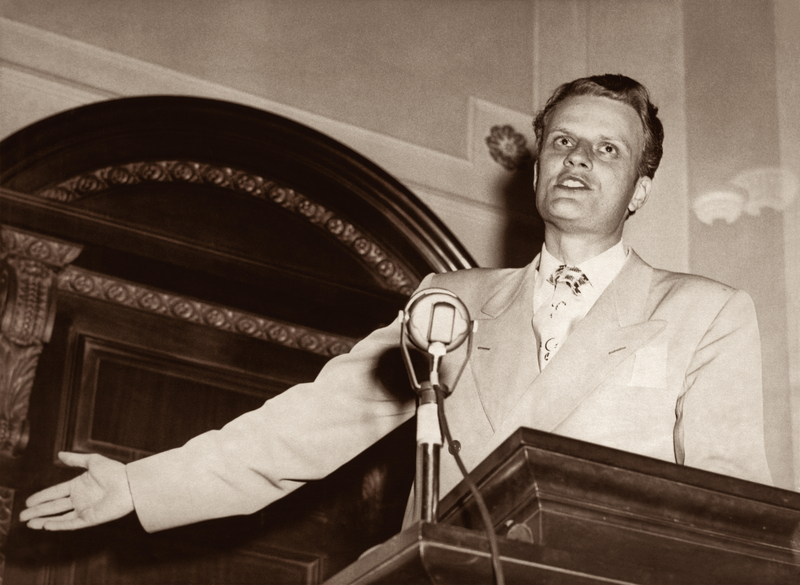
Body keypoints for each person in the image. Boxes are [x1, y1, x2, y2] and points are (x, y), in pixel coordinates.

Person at [20, 74, 773, 534]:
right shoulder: (451, 301)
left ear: (641, 188)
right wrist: (140, 484)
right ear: (538, 166)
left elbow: (733, 517)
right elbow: (311, 424)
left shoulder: (706, 311)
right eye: (562, 142)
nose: (576, 158)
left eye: (607, 149)